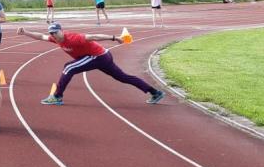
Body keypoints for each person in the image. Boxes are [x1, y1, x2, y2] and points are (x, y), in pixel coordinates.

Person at [17, 23, 165, 106]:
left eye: (56, 32)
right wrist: (25, 32)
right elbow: (41, 36)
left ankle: (57, 96)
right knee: (123, 77)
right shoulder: (55, 39)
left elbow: (94, 36)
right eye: (52, 33)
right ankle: (154, 92)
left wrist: (115, 38)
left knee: (69, 67)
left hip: (98, 56)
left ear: (61, 31)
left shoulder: (74, 38)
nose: (54, 35)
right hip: (102, 56)